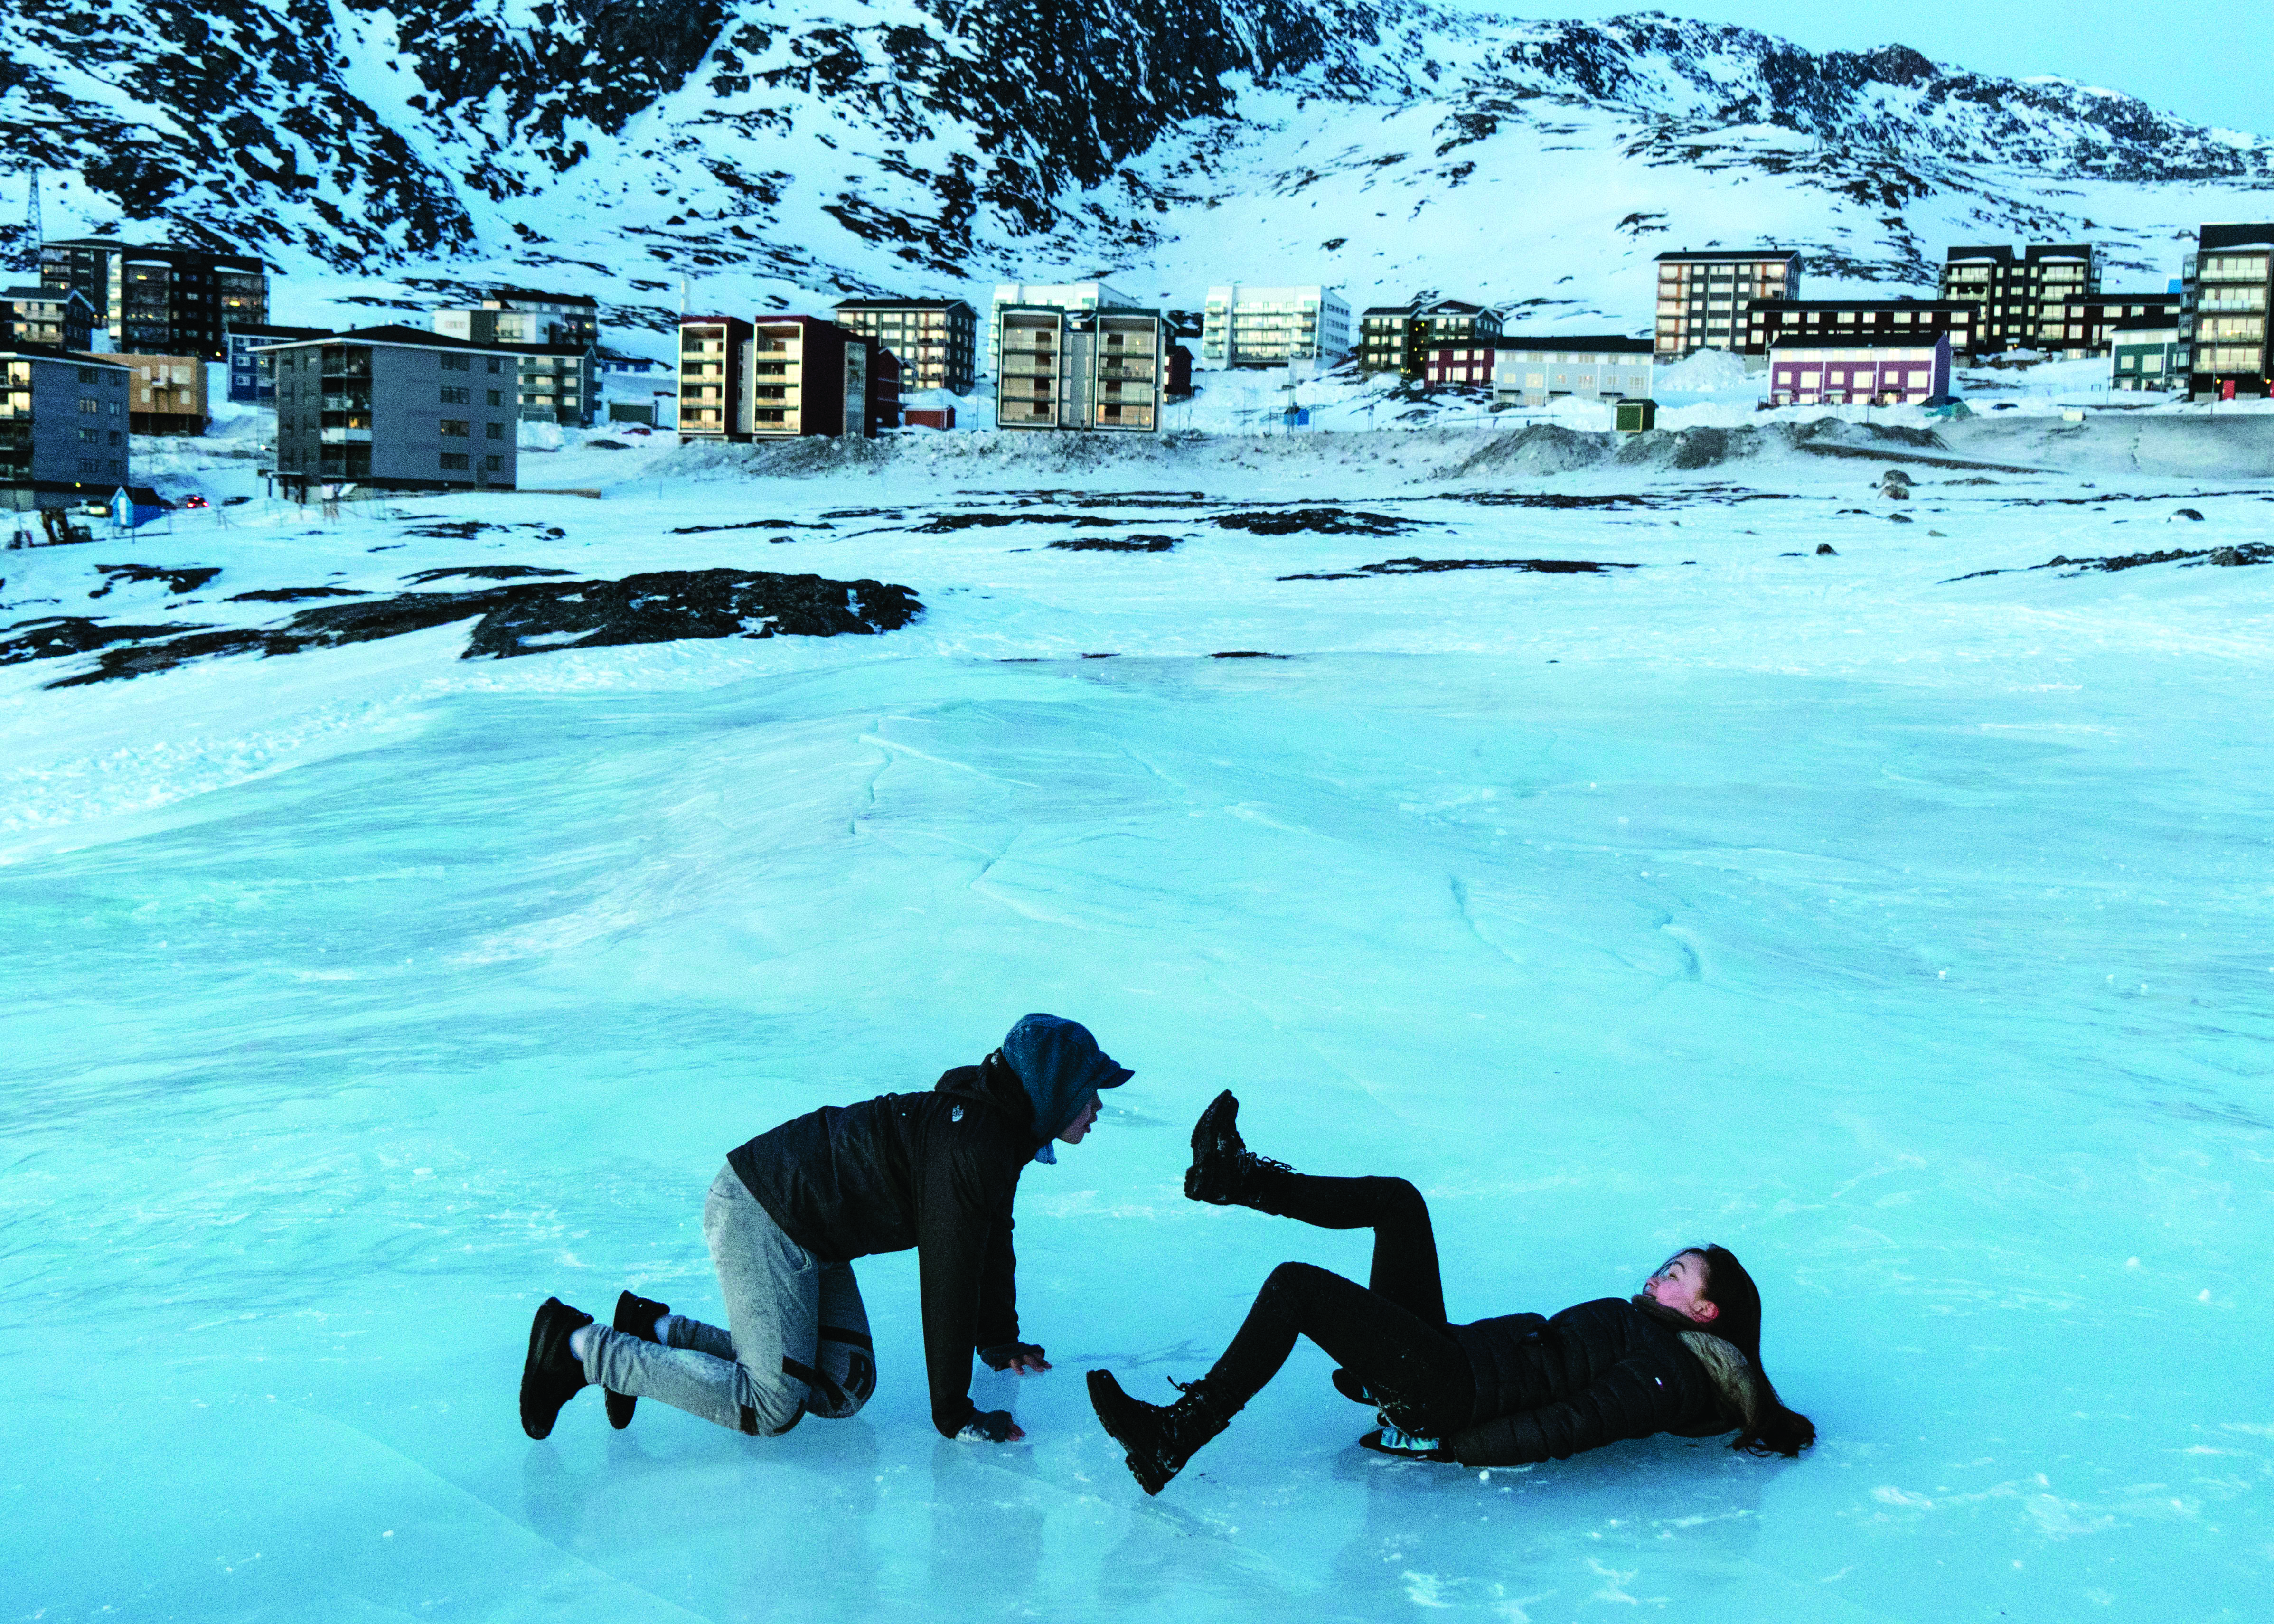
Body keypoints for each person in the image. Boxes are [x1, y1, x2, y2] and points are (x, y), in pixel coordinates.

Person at [1086, 1092, 1814, 1494]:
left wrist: (1451, 1445)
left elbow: (1575, 1421)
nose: (1659, 1275)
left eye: (1677, 1275)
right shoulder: (1651, 1333)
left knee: (1294, 1288)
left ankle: (1171, 1436)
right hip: (1451, 1355)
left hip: (1450, 1394)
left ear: (1705, 1310)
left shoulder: (1669, 1370)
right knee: (1399, 1203)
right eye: (1666, 1265)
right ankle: (1234, 1178)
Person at [520, 1013, 1131, 1444]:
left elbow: (992, 1232)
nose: (1097, 1106)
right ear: (1050, 1091)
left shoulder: (996, 1132)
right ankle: (579, 1347)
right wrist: (954, 1414)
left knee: (842, 1388)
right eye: (1087, 1092)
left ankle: (652, 1327)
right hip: (762, 1212)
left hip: (811, 1233)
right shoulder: (971, 1145)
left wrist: (997, 1336)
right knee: (771, 1407)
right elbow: (949, 1276)